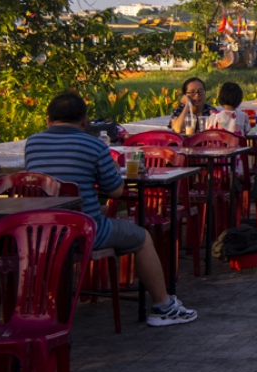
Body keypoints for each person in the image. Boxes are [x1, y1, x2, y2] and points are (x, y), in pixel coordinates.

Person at [26, 92, 197, 326]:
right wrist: (114, 169)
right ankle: (163, 305)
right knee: (142, 237)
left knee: (102, 217)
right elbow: (116, 192)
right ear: (85, 121)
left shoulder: (32, 143)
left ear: (48, 120)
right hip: (82, 231)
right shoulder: (94, 145)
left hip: (40, 234)